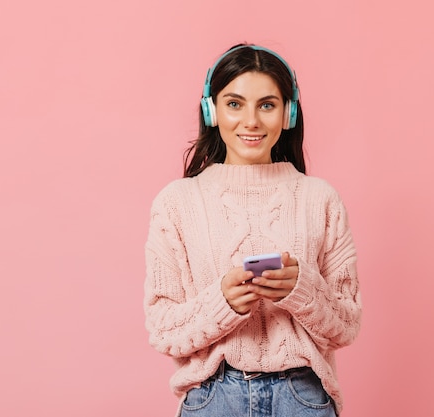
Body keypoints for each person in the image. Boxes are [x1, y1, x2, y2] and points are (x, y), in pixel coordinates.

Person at [144, 43, 362, 417]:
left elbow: (347, 326)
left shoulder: (320, 199)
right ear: (211, 110)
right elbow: (163, 330)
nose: (251, 121)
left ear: (288, 113)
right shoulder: (176, 203)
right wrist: (223, 303)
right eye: (234, 103)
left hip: (303, 397)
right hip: (212, 398)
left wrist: (301, 289)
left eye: (266, 104)